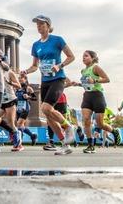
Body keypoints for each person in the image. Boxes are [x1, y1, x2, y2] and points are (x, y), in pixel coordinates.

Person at [22, 15, 76, 155]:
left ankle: (68, 127)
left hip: (58, 79)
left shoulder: (57, 40)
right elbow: (35, 66)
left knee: (46, 107)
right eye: (37, 25)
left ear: (48, 25)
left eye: (41, 24)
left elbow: (71, 56)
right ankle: (65, 144)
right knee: (47, 115)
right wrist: (25, 71)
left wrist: (60, 65)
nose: (39, 27)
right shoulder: (36, 45)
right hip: (45, 81)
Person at [69, 50, 121, 154]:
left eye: (86, 56)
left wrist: (95, 80)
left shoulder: (96, 67)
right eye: (83, 56)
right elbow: (87, 84)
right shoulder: (83, 71)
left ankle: (114, 131)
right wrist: (78, 84)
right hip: (87, 96)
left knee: (100, 124)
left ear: (92, 58)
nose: (83, 58)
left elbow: (107, 79)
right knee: (86, 120)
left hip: (97, 96)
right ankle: (90, 145)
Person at [15, 73, 38, 146]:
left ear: (25, 80)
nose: (20, 80)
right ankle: (32, 136)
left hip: (25, 108)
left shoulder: (28, 88)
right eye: (19, 79)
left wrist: (28, 97)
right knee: (20, 125)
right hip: (18, 108)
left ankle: (19, 142)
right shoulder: (16, 88)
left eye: (21, 79)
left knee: (19, 124)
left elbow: (35, 98)